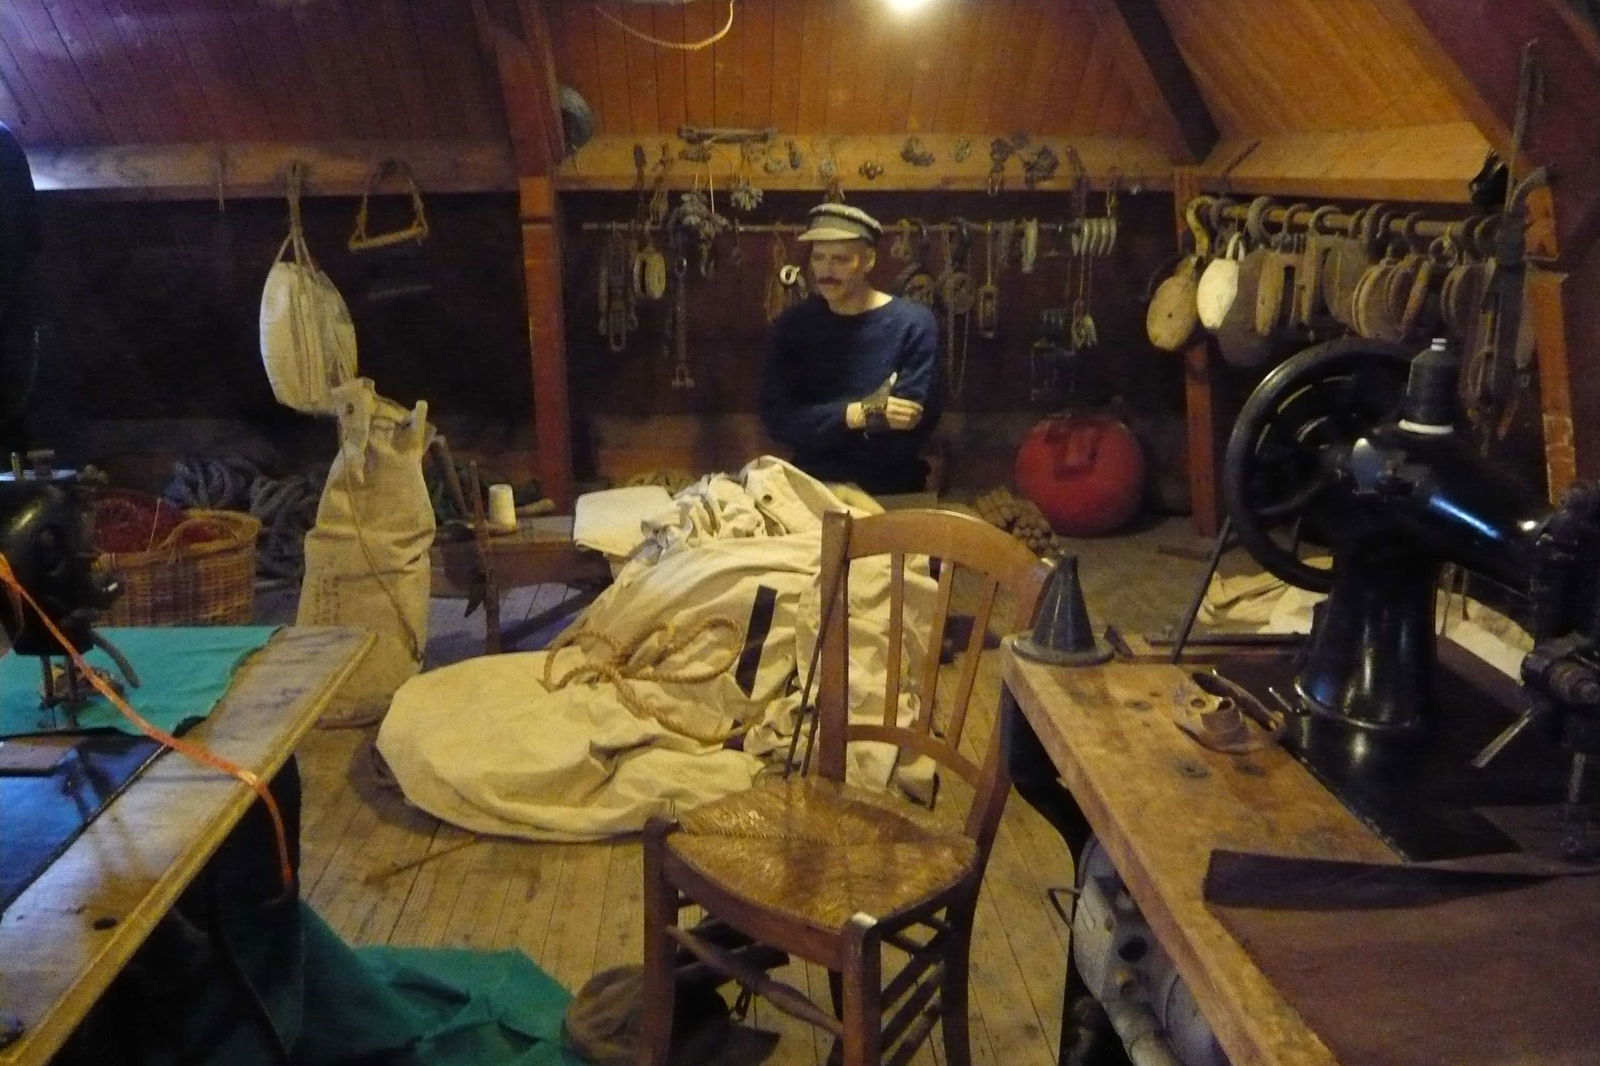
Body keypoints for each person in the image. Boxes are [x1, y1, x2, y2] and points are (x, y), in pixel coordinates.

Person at [759, 203, 940, 495]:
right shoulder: (793, 326)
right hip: (811, 488)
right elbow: (778, 422)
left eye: (841, 259)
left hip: (891, 492)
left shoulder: (914, 325)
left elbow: (909, 427)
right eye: (819, 258)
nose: (826, 270)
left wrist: (819, 423)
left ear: (868, 260)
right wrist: (859, 414)